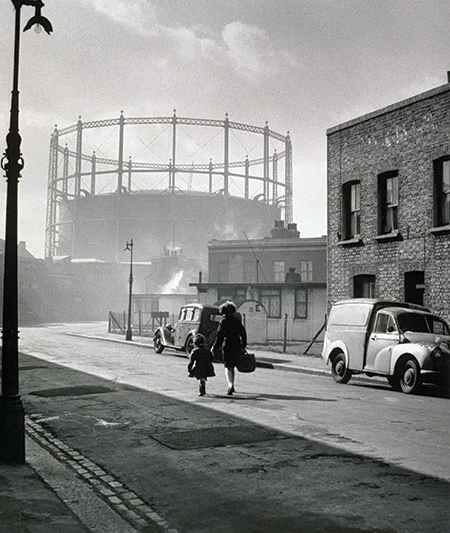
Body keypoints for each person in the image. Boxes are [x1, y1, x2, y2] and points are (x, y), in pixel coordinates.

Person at [211, 301, 247, 396]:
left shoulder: (223, 321)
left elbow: (219, 336)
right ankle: (233, 385)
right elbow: (243, 334)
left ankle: (230, 385)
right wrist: (243, 346)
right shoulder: (236, 321)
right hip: (236, 344)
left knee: (228, 366)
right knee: (233, 366)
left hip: (227, 345)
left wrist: (214, 347)